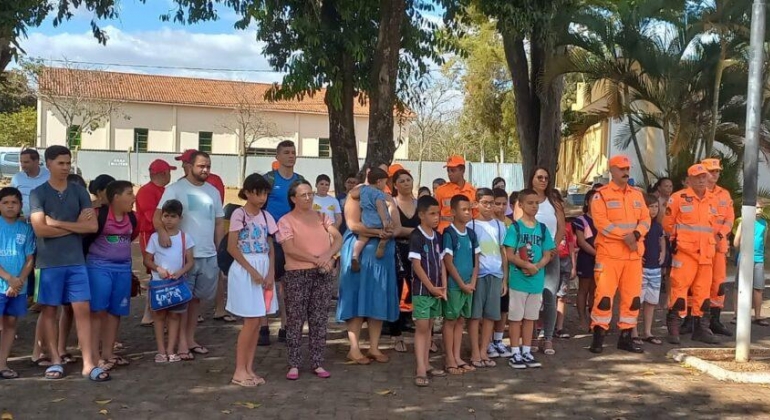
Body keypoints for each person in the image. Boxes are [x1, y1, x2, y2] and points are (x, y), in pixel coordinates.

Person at [29, 145, 109, 381]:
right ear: (48, 164)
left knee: (82, 311)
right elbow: (40, 229)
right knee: (49, 311)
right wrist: (74, 226)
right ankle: (55, 360)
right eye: (60, 163)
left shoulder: (79, 191)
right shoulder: (38, 193)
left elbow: (92, 227)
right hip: (48, 264)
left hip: (76, 263)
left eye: (68, 163)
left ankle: (88, 364)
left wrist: (57, 223)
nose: (65, 167)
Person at [155, 150, 225, 358]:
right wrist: (162, 234)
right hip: (183, 256)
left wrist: (219, 247)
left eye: (208, 166)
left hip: (208, 254)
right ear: (189, 166)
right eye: (201, 166)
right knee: (183, 300)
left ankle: (190, 338)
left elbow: (219, 221)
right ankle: (182, 344)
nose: (205, 170)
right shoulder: (175, 189)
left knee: (196, 301)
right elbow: (158, 215)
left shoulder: (213, 191)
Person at [277, 180, 342, 380]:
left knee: (319, 319)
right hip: (297, 274)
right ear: (293, 198)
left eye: (310, 194)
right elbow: (290, 249)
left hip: (321, 274)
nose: (308, 198)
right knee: (296, 319)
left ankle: (317, 361)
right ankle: (294, 363)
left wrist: (329, 257)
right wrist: (316, 260)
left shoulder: (322, 217)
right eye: (303, 195)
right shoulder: (285, 221)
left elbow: (338, 238)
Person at [589, 155, 651, 354]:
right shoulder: (601, 195)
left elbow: (646, 219)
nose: (626, 172)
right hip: (609, 255)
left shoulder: (637, 194)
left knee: (632, 298)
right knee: (604, 297)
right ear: (612, 171)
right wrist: (624, 236)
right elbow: (601, 223)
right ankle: (598, 336)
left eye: (627, 168)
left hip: (633, 256)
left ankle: (626, 337)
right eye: (621, 169)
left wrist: (635, 234)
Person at [337, 171, 399, 366]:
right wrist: (377, 232)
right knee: (356, 296)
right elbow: (353, 224)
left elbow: (396, 226)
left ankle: (373, 346)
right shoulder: (356, 194)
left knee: (377, 297)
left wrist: (388, 233)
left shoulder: (387, 197)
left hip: (382, 253)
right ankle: (354, 349)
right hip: (361, 251)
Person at [226, 174, 279, 387]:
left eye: (265, 192)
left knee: (258, 322)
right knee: (250, 321)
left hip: (263, 267)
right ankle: (239, 370)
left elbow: (271, 246)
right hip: (245, 269)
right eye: (258, 192)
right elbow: (232, 246)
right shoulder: (239, 214)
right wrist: (252, 271)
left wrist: (270, 272)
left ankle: (249, 368)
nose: (263, 197)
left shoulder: (267, 217)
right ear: (247, 192)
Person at [663, 164, 720, 345]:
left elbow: (713, 227)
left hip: (706, 254)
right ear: (689, 180)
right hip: (685, 253)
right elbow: (668, 224)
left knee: (703, 293)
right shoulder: (678, 198)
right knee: (679, 290)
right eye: (698, 177)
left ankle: (701, 329)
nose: (702, 179)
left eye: (704, 176)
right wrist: (678, 242)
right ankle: (674, 327)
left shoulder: (712, 200)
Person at [85, 180, 138, 371]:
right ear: (116, 197)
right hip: (99, 267)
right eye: (130, 193)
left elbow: (131, 237)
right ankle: (94, 355)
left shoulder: (132, 218)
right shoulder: (100, 215)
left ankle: (108, 353)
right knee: (98, 311)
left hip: (123, 268)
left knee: (116, 311)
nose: (134, 198)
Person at [514, 167, 565, 355]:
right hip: (530, 258)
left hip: (550, 256)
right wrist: (527, 258)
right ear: (532, 179)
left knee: (550, 297)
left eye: (546, 177)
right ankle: (532, 337)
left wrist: (553, 248)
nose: (543, 180)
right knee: (533, 298)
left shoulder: (554, 201)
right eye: (539, 177)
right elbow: (520, 229)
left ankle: (548, 338)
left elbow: (561, 227)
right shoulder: (522, 200)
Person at [503, 189, 555, 369]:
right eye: (530, 203)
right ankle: (515, 351)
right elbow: (509, 254)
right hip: (519, 280)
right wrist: (526, 265)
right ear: (521, 204)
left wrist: (536, 267)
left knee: (530, 318)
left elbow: (548, 253)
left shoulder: (542, 228)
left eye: (536, 203)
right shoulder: (515, 228)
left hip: (536, 281)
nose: (534, 206)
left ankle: (526, 350)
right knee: (516, 317)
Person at [262, 140, 305, 345]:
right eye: (286, 152)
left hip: (293, 239)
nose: (291, 156)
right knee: (267, 282)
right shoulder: (268, 180)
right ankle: (263, 326)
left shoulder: (300, 181)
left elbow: (306, 208)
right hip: (270, 238)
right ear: (277, 157)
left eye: (293, 152)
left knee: (289, 285)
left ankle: (286, 327)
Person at [144, 199, 195, 363]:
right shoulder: (154, 237)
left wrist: (180, 272)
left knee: (174, 317)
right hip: (159, 284)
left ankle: (171, 350)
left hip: (177, 284)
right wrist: (158, 269)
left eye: (173, 216)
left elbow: (190, 261)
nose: (168, 220)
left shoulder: (185, 238)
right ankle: (160, 350)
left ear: (180, 218)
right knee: (158, 317)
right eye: (165, 216)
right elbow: (147, 260)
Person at [409, 195, 448, 387]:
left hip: (436, 290)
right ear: (421, 215)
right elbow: (416, 265)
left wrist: (443, 286)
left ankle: (427, 364)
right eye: (432, 214)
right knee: (422, 328)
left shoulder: (438, 237)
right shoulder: (416, 236)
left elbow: (441, 263)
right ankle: (420, 368)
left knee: (430, 327)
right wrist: (431, 287)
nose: (436, 217)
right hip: (422, 291)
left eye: (438, 213)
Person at [467, 188, 507, 368]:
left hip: (496, 273)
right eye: (485, 203)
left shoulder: (500, 225)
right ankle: (475, 351)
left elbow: (503, 252)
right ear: (476, 204)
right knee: (475, 316)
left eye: (492, 203)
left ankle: (484, 350)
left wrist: (504, 278)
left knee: (491, 315)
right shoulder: (471, 226)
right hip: (479, 274)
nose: (489, 207)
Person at [136, 159, 177, 326]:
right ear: (162, 173)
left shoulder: (164, 190)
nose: (170, 175)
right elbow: (150, 216)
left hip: (162, 234)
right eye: (168, 172)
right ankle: (151, 313)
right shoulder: (146, 191)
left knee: (162, 273)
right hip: (151, 235)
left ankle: (151, 312)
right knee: (155, 272)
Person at [0, 187, 35, 379]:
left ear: (20, 205)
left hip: (18, 288)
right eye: (5, 202)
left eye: (14, 202)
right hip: (2, 284)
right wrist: (8, 279)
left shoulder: (26, 229)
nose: (10, 206)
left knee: (11, 323)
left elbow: (30, 258)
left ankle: (2, 364)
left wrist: (18, 281)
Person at [442, 194, 479, 375]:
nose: (468, 213)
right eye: (463, 210)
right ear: (453, 212)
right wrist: (461, 284)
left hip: (468, 286)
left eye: (469, 209)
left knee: (461, 321)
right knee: (450, 321)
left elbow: (476, 260)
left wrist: (472, 281)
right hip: (455, 286)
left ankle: (457, 356)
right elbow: (448, 262)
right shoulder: (449, 234)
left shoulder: (471, 234)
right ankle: (449, 358)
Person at [701, 158, 735, 337]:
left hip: (719, 246)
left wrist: (721, 234)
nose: (715, 175)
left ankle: (715, 320)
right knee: (697, 283)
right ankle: (692, 321)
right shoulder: (697, 193)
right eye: (711, 171)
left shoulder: (724, 194)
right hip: (700, 247)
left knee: (718, 284)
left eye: (717, 172)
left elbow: (730, 219)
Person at [389, 169, 419, 352]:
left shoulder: (419, 203)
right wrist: (417, 231)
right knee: (398, 290)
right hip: (398, 249)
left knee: (419, 291)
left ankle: (424, 335)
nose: (406, 183)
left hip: (418, 250)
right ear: (395, 185)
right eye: (402, 180)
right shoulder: (391, 203)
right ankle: (396, 334)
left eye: (409, 179)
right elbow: (397, 231)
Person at [630, 193, 666, 345]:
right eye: (650, 206)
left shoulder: (657, 225)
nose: (653, 210)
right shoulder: (638, 226)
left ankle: (647, 331)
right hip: (641, 268)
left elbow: (661, 238)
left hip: (655, 268)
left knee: (651, 301)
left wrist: (663, 253)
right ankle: (633, 331)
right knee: (637, 301)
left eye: (656, 207)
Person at [489, 188, 514, 358]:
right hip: (490, 271)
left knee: (503, 309)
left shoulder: (510, 224)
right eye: (497, 204)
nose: (501, 207)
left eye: (504, 204)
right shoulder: (486, 223)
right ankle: (488, 341)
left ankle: (498, 340)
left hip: (506, 271)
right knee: (490, 310)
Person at [732, 206, 768, 325]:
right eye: (757, 207)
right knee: (739, 287)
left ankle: (757, 316)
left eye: (761, 208)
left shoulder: (764, 224)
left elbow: (764, 240)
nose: (760, 210)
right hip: (744, 258)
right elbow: (736, 242)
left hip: (758, 259)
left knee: (758, 288)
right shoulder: (743, 222)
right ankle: (736, 315)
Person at [351, 168, 392, 271]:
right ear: (379, 182)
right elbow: (380, 208)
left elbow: (353, 194)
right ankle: (382, 243)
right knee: (388, 230)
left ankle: (355, 256)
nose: (385, 186)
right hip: (377, 220)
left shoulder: (363, 190)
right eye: (385, 183)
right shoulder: (378, 193)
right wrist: (385, 221)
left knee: (362, 238)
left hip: (366, 220)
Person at [573, 190, 598, 332]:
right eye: (593, 200)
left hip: (600, 259)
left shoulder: (603, 220)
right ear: (587, 202)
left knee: (595, 290)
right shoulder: (581, 220)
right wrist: (597, 253)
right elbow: (582, 242)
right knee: (583, 289)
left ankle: (594, 319)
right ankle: (582, 318)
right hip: (586, 258)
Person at [435, 156, 476, 233]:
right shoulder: (440, 191)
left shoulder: (473, 192)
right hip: (444, 233)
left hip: (465, 234)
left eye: (453, 170)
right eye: (448, 171)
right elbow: (435, 213)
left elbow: (476, 216)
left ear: (462, 170)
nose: (449, 174)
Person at [12, 149, 50, 220]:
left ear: (36, 162)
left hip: (45, 221)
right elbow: (10, 197)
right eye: (21, 162)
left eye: (26, 162)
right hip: (22, 221)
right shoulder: (17, 178)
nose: (22, 165)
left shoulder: (49, 176)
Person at [554, 218, 576, 338]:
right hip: (551, 260)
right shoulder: (547, 223)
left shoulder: (567, 226)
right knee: (549, 295)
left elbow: (571, 246)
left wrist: (573, 266)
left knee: (562, 295)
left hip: (565, 261)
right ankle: (546, 326)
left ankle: (560, 327)